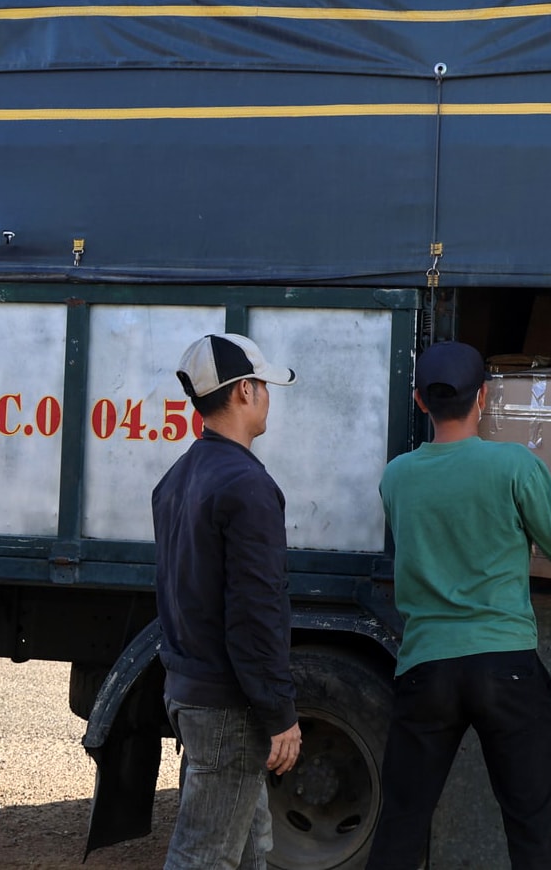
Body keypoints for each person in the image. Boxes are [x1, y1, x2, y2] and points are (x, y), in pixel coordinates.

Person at [367, 340, 551, 870]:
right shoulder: (514, 465)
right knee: (531, 834)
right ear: (483, 397)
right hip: (507, 669)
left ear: (419, 401)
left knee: (401, 827)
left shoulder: (396, 476)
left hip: (426, 669)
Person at [152, 333, 303, 870]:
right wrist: (279, 712)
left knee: (251, 849)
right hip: (228, 706)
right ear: (244, 391)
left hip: (191, 691)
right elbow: (255, 612)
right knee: (203, 856)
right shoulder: (247, 485)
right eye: (264, 385)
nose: (268, 396)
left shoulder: (177, 478)